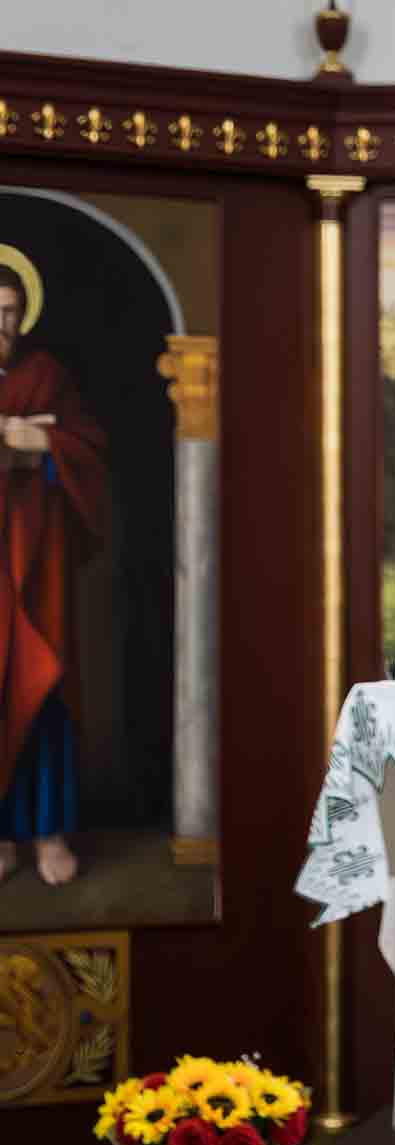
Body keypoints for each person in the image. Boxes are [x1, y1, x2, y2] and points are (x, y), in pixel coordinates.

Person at [0, 258, 108, 887]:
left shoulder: (48, 377)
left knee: (41, 685)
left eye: (13, 311)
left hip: (39, 563)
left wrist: (44, 445)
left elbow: (87, 448)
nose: (4, 323)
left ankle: (46, 831)